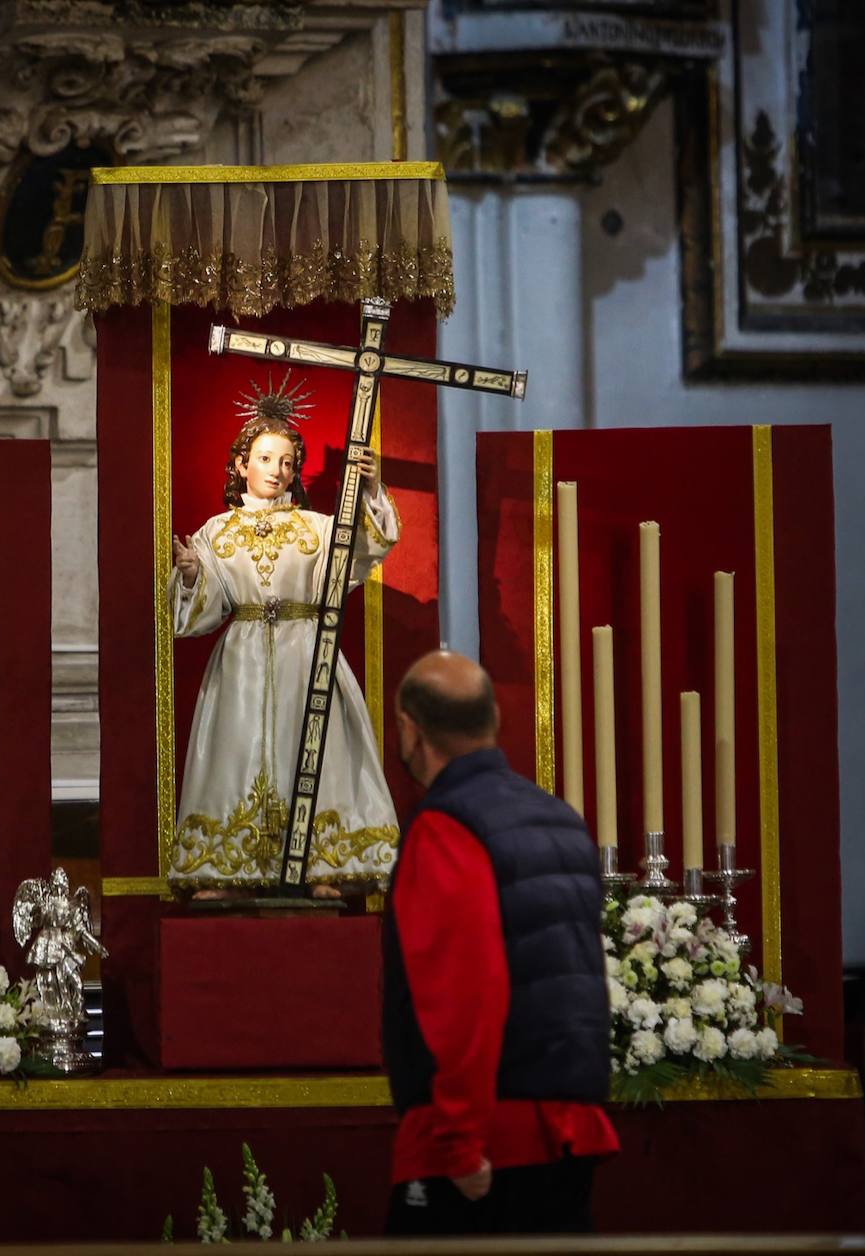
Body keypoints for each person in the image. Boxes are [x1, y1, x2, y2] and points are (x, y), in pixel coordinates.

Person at [382, 650, 618, 1235]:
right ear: (493, 722)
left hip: (486, 1141)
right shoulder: (561, 819)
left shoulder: (445, 827)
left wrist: (459, 1142)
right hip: (569, 1126)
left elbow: (464, 992)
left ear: (410, 729)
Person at [167, 379, 401, 896]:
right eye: (267, 458)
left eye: (288, 461)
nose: (278, 470)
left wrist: (367, 489)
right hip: (244, 657)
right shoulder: (215, 532)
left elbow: (365, 548)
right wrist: (189, 574)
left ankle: (325, 867)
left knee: (315, 751)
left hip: (308, 653)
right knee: (237, 750)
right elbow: (202, 609)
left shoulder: (318, 527)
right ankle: (231, 869)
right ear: (240, 465)